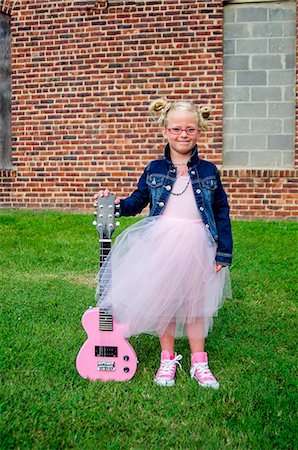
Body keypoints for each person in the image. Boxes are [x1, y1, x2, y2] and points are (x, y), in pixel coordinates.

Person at [95, 98, 232, 389]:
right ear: (165, 131)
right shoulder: (155, 168)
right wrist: (115, 204)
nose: (183, 135)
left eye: (190, 129)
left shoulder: (208, 171)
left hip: (199, 244)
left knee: (196, 304)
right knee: (165, 303)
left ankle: (199, 363)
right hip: (161, 243)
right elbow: (137, 201)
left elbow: (221, 211)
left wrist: (224, 251)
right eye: (176, 129)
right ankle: (167, 359)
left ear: (199, 131)